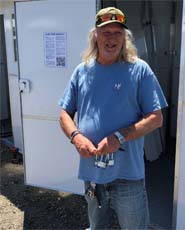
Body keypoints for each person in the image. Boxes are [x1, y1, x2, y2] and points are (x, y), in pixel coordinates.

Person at [59, 6, 167, 229]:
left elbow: (156, 118)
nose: (112, 38)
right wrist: (76, 136)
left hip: (128, 178)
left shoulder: (139, 70)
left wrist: (119, 137)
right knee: (97, 227)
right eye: (106, 32)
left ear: (125, 37)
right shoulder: (82, 71)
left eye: (118, 32)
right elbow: (64, 114)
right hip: (92, 175)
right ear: (95, 36)